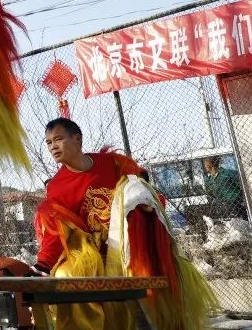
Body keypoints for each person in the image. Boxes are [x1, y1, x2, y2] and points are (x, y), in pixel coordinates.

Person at [32, 118, 217, 329]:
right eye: (48, 142)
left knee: (148, 273)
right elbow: (57, 232)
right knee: (66, 276)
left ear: (77, 139)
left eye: (58, 139)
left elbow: (143, 191)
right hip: (91, 256)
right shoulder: (57, 187)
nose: (53, 146)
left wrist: (146, 206)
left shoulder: (112, 163)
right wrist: (43, 265)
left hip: (129, 247)